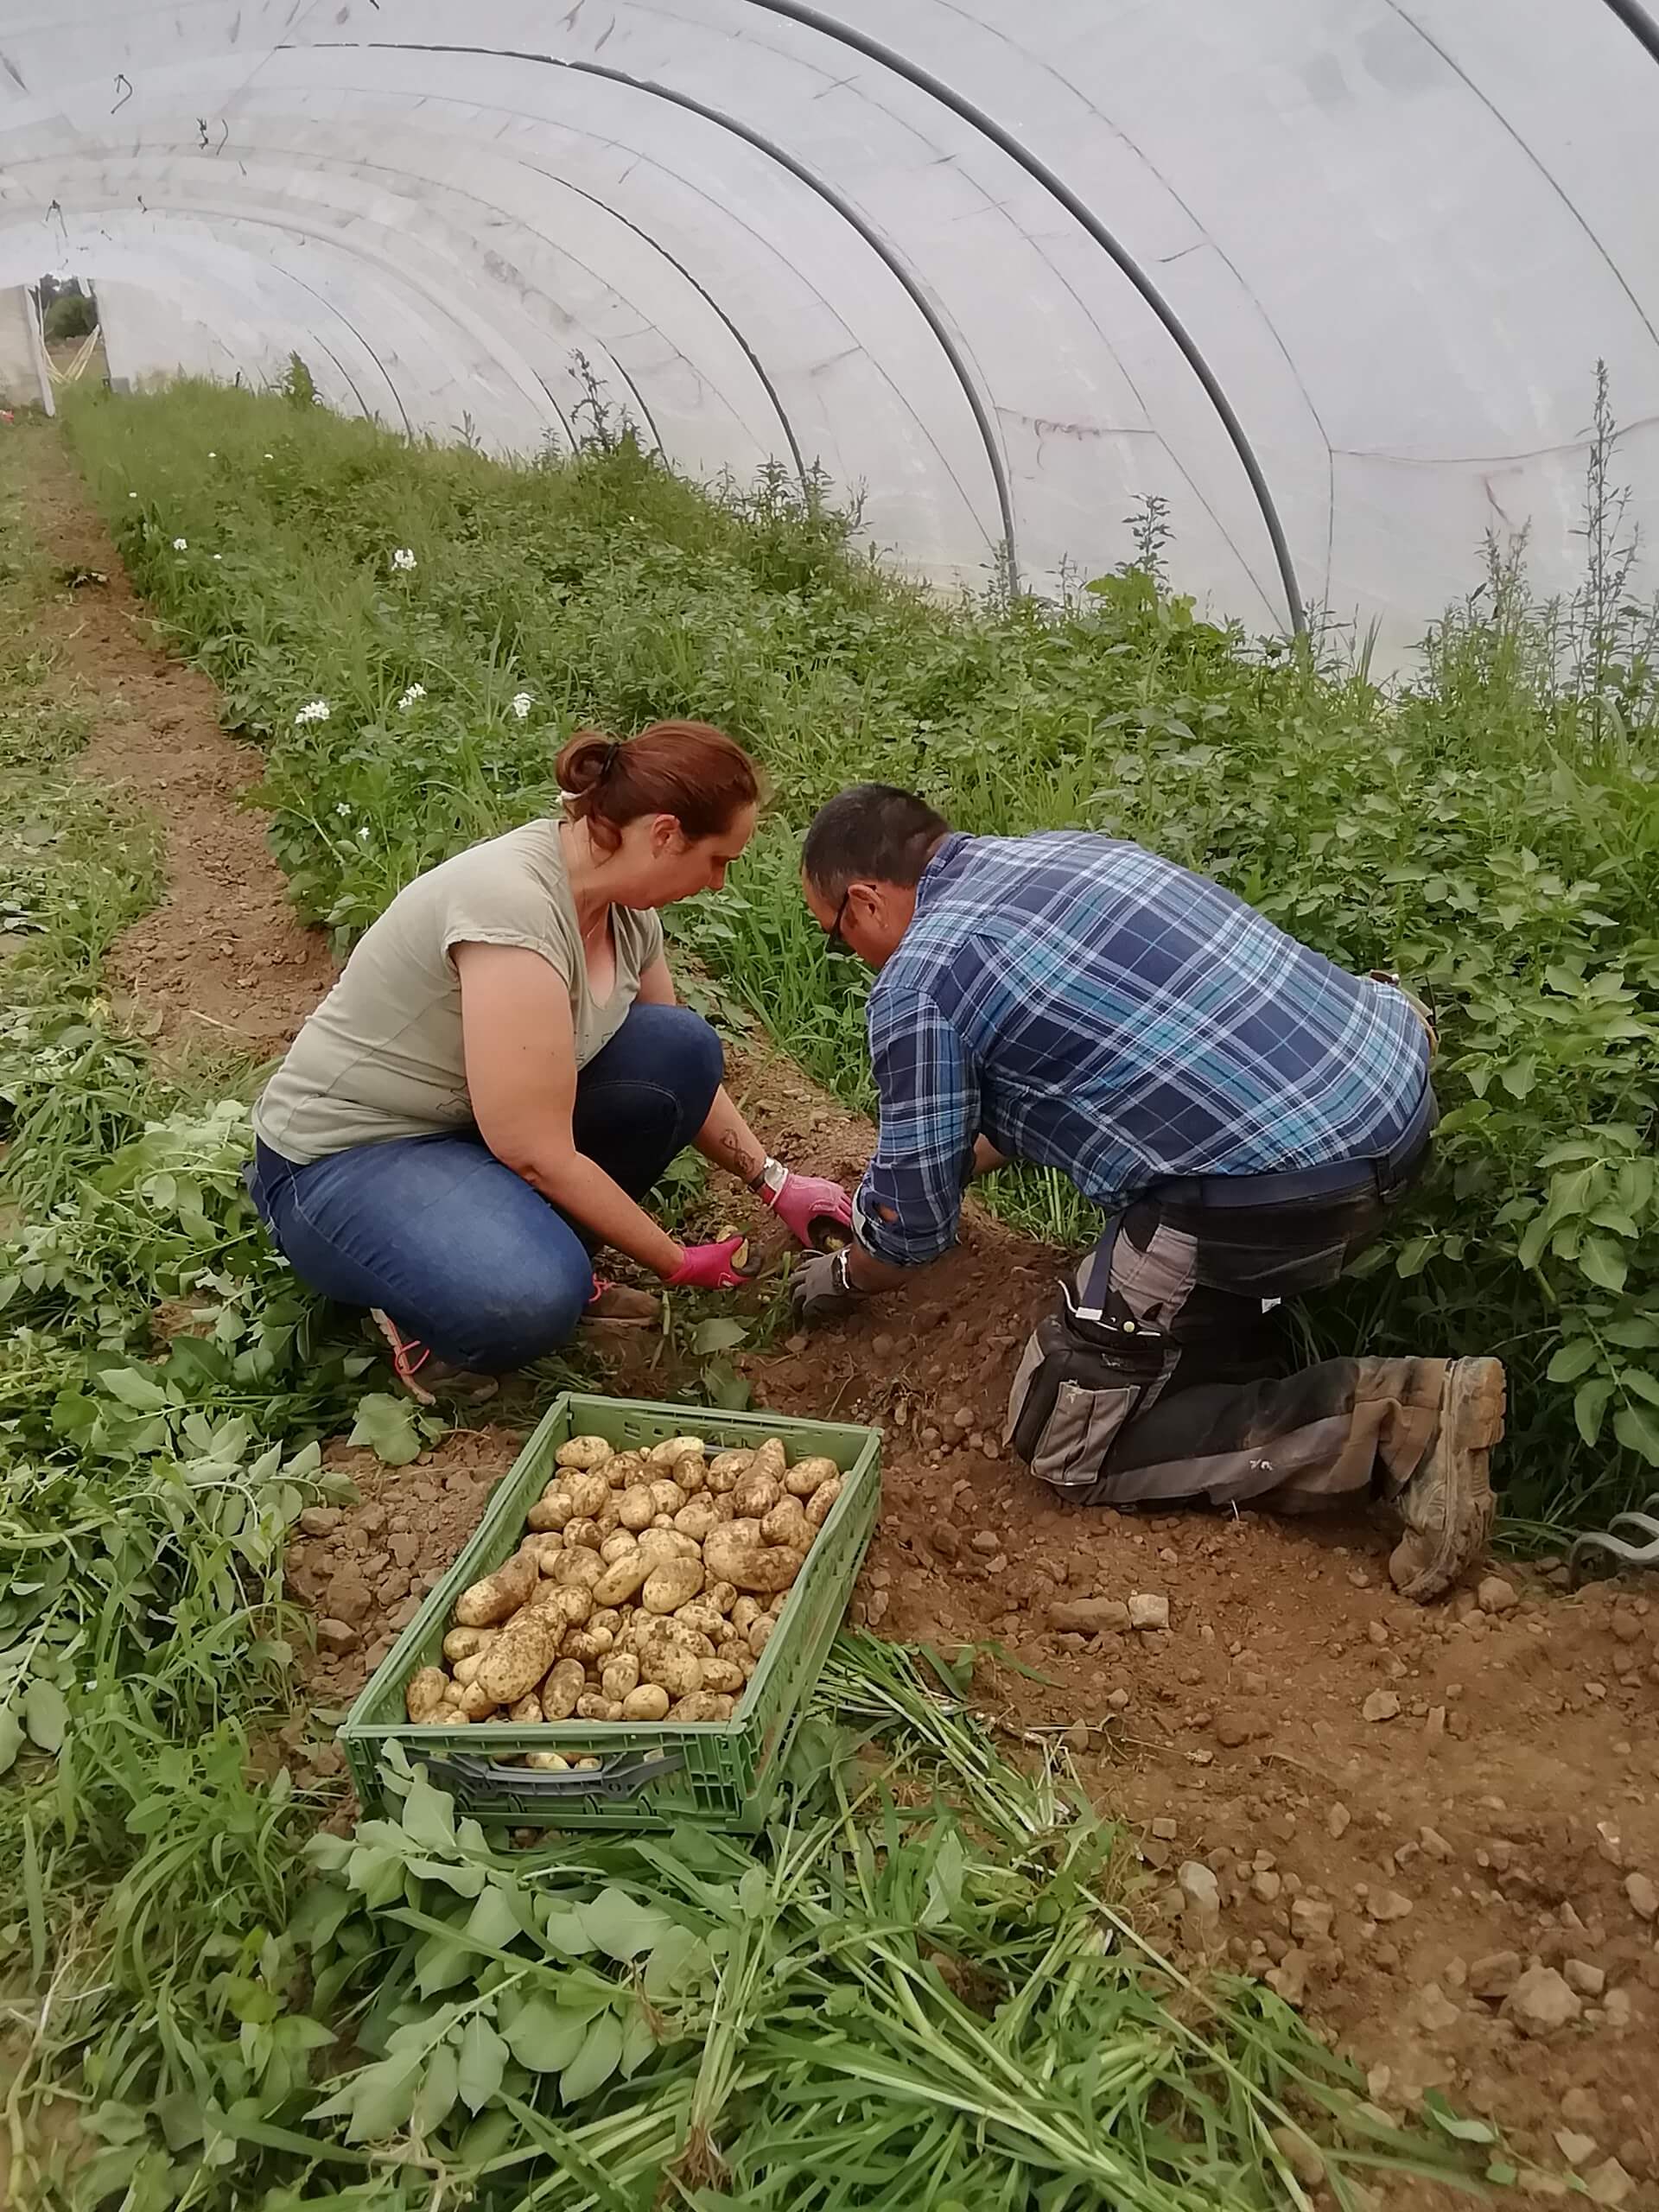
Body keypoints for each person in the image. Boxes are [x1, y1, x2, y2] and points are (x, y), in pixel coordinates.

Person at [790, 784, 1503, 1602]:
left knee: (1067, 1443)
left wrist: (846, 1275)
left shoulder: (919, 981)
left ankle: (1396, 1424)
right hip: (1393, 1102)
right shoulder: (1068, 853)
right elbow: (1063, 1077)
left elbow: (910, 1233)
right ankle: (1232, 1329)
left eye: (836, 939)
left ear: (865, 901)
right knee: (1180, 1250)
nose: (854, 957)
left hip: (1288, 1192)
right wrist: (939, 1156)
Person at [248, 721, 851, 1399]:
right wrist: (677, 1261)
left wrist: (774, 1181)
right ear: (662, 834)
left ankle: (516, 1240)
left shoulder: (628, 915)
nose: (717, 884)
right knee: (529, 1299)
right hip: (344, 1158)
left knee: (679, 1046)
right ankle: (425, 1304)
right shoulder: (512, 908)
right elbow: (535, 1150)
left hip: (467, 1129)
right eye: (717, 860)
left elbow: (679, 1068)